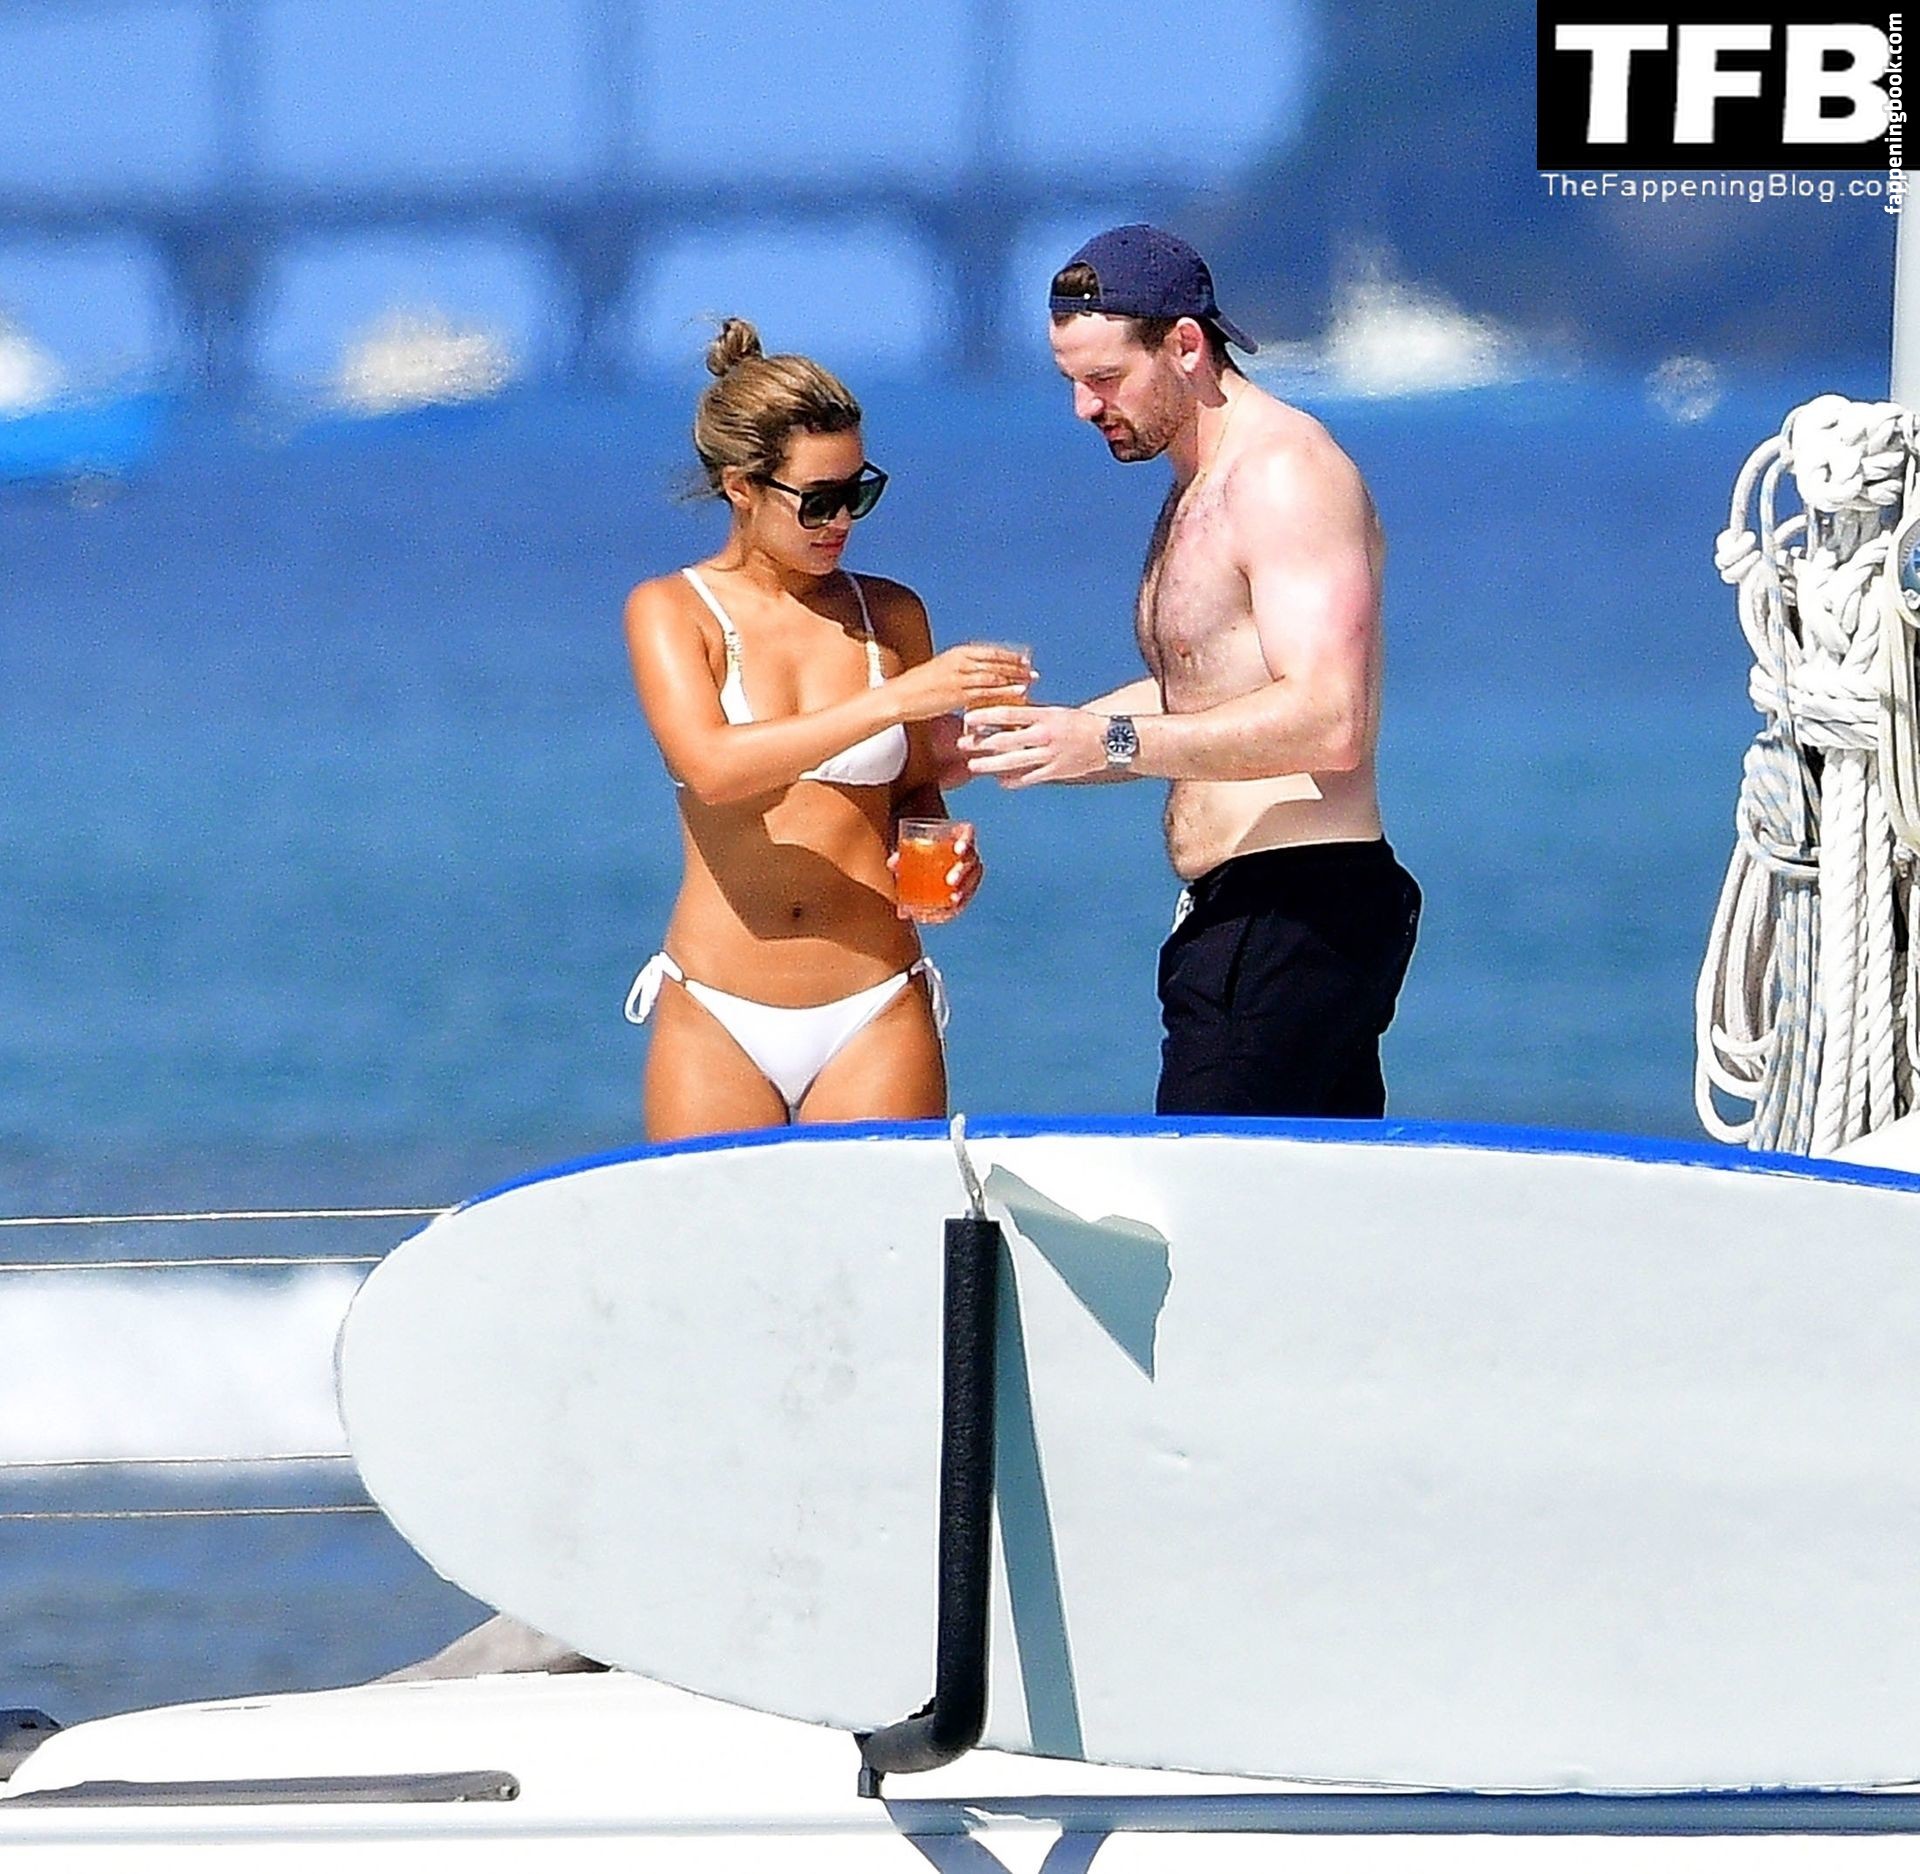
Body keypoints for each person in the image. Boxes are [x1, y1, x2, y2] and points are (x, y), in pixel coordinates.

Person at [963, 225, 1420, 1119]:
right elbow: (1207, 692)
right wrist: (1029, 741)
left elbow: (1331, 720)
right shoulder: (1201, 483)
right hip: (1251, 913)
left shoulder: (1284, 475)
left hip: (1297, 908)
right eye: (1071, 382)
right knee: (1292, 1197)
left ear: (1183, 345)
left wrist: (1113, 743)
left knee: (1209, 1193)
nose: (1085, 408)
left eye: (1105, 379)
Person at [622, 318, 1029, 1140]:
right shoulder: (671, 611)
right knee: (712, 1226)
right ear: (742, 487)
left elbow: (911, 787)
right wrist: (894, 701)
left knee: (882, 1223)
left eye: (858, 493)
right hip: (716, 1002)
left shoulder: (890, 613)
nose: (841, 520)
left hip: (873, 997)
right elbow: (713, 768)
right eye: (819, 500)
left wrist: (942, 853)